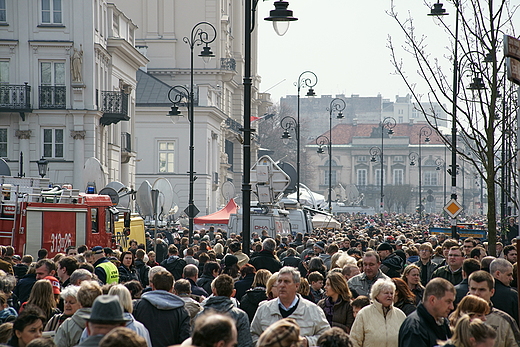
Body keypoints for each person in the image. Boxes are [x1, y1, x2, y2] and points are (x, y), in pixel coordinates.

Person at [250, 266, 330, 346]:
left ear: (296, 286)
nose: (282, 285)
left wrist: (308, 342)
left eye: (286, 281)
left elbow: (326, 337)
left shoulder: (313, 310)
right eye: (279, 281)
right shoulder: (264, 309)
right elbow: (253, 335)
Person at [133, 270, 190, 347]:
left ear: (152, 286)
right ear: (172, 289)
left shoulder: (138, 306)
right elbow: (184, 339)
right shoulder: (182, 312)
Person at [197, 274, 252, 347]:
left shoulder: (200, 316)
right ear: (233, 293)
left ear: (213, 290)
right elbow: (245, 344)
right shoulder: (240, 315)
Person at [468, 270, 520, 347]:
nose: (476, 293)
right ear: (468, 289)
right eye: (473, 289)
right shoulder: (456, 318)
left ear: (492, 292)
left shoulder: (504, 320)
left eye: (482, 290)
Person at [398, 278, 455, 347]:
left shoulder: (442, 322)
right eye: (448, 302)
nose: (452, 307)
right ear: (432, 300)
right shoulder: (414, 327)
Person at [350, 278, 406, 347]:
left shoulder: (400, 315)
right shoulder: (364, 314)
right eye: (386, 293)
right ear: (376, 295)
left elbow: (406, 341)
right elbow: (354, 341)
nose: (390, 296)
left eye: (391, 293)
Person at [54, 281, 102, 347]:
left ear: (79, 302)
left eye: (71, 302)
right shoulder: (108, 323)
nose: (67, 305)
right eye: (66, 302)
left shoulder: (67, 325)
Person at [489, 258, 518, 322]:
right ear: (498, 274)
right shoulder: (512, 295)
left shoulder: (483, 293)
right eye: (509, 275)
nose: (511, 278)